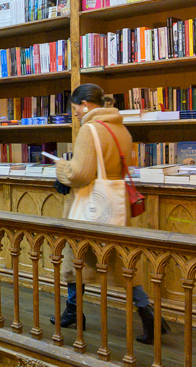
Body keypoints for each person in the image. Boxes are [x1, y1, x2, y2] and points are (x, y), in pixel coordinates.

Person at [54, 84, 166, 342]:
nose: (74, 115)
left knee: (76, 259)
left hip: (91, 207)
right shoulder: (121, 129)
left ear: (85, 105)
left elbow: (80, 174)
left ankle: (73, 311)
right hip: (115, 207)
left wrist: (61, 167)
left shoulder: (89, 130)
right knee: (122, 263)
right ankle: (148, 315)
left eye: (74, 109)